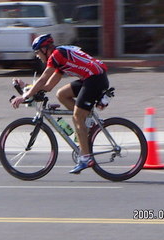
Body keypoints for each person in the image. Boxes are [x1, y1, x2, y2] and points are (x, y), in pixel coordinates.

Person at [11, 34, 109, 174]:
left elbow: (43, 79)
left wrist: (24, 96)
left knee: (77, 117)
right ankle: (87, 120)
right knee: (61, 94)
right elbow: (48, 86)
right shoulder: (59, 59)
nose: (37, 56)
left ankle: (86, 158)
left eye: (37, 52)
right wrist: (26, 85)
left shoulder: (56, 55)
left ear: (45, 49)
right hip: (90, 78)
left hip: (95, 79)